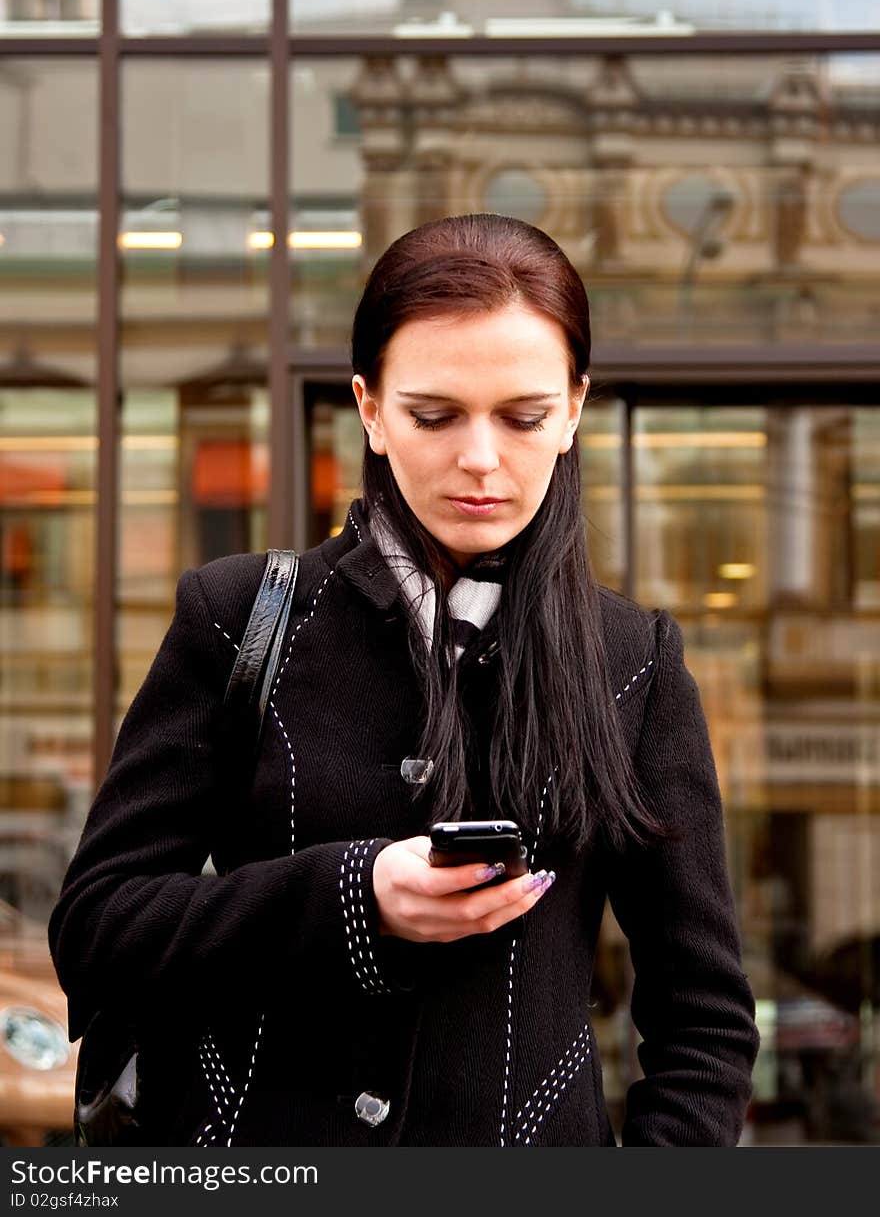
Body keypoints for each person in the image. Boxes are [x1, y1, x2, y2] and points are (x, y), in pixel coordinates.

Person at [49, 214, 759, 1147]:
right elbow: (97, 929)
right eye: (434, 415)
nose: (479, 458)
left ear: (575, 408)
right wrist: (354, 896)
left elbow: (703, 1020)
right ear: (371, 408)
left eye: (524, 416)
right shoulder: (238, 618)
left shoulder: (634, 662)